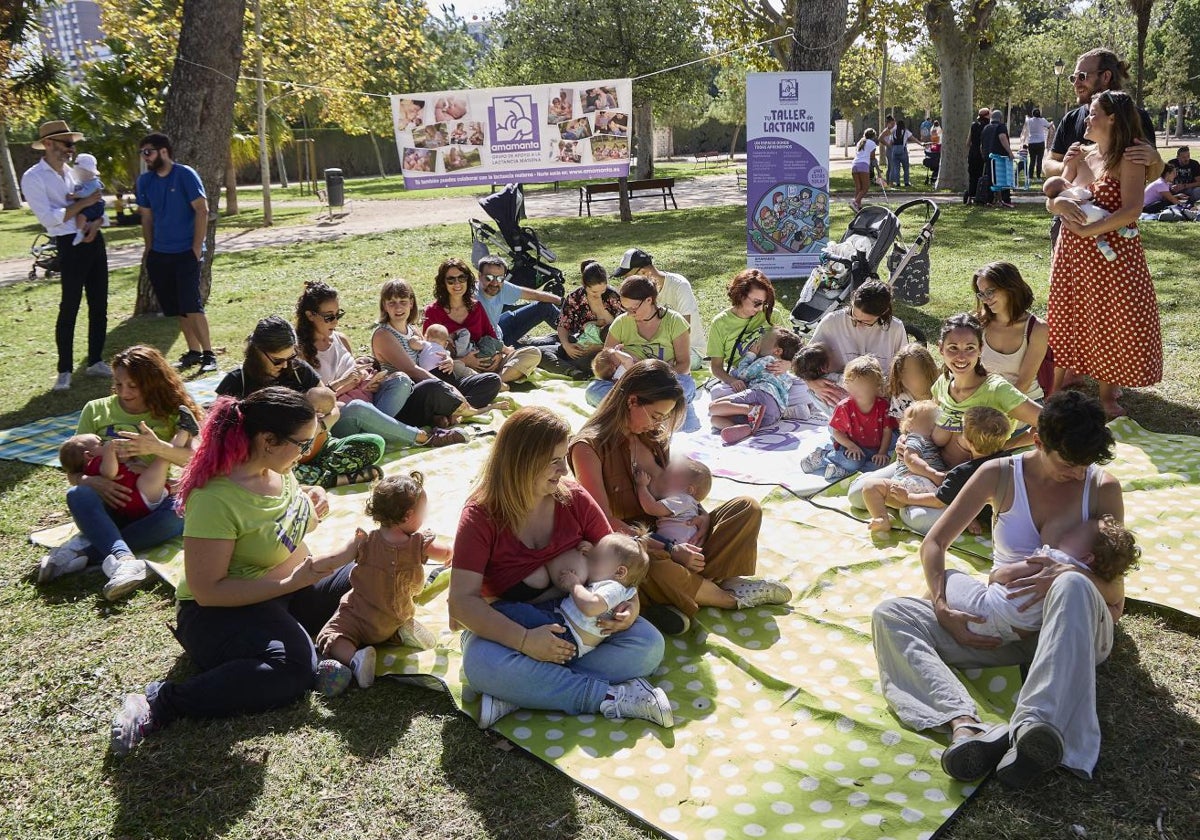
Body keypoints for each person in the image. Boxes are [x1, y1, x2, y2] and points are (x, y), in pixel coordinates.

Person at [872, 391, 1127, 788]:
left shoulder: (1103, 488)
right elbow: (934, 544)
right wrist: (941, 608)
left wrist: (1065, 575)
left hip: (1073, 632)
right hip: (1003, 624)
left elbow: (1114, 590)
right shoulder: (999, 473)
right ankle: (965, 726)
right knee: (891, 615)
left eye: (1086, 465)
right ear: (1039, 442)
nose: (1078, 473)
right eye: (1068, 463)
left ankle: (1036, 730)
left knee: (1073, 583)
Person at [109, 388, 363, 756]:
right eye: (302, 443)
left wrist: (311, 502)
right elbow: (208, 590)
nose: (307, 452)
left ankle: (318, 638)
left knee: (367, 571)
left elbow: (283, 527)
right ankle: (162, 701)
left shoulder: (277, 469)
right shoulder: (215, 497)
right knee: (293, 671)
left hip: (287, 590)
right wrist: (290, 581)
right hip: (219, 612)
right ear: (267, 440)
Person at [448, 405, 671, 730]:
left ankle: (523, 689)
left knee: (649, 646)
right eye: (554, 461)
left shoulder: (574, 498)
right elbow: (462, 601)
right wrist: (525, 641)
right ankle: (609, 698)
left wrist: (631, 607)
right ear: (522, 461)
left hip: (583, 625)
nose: (564, 470)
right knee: (482, 664)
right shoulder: (481, 515)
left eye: (564, 458)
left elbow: (621, 558)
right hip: (513, 628)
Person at [570, 360, 791, 636]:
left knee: (746, 507)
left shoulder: (653, 438)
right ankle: (728, 598)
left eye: (664, 417)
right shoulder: (588, 447)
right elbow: (603, 523)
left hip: (673, 530)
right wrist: (670, 549)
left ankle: (680, 593)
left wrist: (702, 516)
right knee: (648, 565)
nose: (659, 423)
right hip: (634, 545)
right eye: (655, 415)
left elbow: (679, 490)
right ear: (632, 401)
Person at [42, 346, 201, 598]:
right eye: (118, 384)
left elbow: (197, 460)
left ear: (152, 384)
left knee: (184, 511)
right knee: (77, 494)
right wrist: (91, 480)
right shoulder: (95, 409)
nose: (124, 392)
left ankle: (90, 554)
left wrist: (157, 447)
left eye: (133, 385)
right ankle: (122, 558)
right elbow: (73, 471)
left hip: (150, 504)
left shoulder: (172, 413)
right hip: (107, 507)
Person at [1045, 90, 1162, 417]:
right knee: (1068, 314)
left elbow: (1132, 210)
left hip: (1114, 256)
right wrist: (1058, 203)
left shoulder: (1130, 157)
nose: (1087, 117)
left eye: (1093, 112)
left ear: (1112, 118)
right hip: (1072, 253)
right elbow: (1053, 195)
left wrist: (1087, 230)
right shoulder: (1080, 154)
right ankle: (1057, 385)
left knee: (1113, 318)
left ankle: (1108, 395)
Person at [315, 471, 452, 695]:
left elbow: (335, 559)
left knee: (329, 636)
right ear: (408, 515)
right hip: (394, 615)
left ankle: (356, 658)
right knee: (396, 614)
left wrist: (313, 564)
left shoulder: (364, 542)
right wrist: (452, 555)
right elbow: (447, 553)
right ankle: (399, 631)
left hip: (359, 615)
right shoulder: (419, 544)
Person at [293, 280, 464, 449]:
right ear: (310, 315)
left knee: (401, 380)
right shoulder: (301, 353)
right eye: (329, 317)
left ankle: (382, 432)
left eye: (338, 315)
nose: (335, 322)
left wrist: (371, 380)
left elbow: (356, 374)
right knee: (358, 408)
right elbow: (313, 402)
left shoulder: (341, 339)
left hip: (370, 401)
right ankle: (423, 438)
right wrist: (345, 383)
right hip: (341, 414)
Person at [218, 316, 386, 486]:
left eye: (290, 358)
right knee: (263, 471)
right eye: (278, 360)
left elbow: (333, 408)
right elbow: (220, 435)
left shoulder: (299, 370)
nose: (285, 365)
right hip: (272, 457)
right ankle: (332, 478)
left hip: (317, 448)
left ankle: (312, 475)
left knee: (374, 443)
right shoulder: (237, 381)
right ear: (257, 352)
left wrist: (316, 430)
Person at [945, 515, 1139, 643]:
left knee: (948, 576)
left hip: (986, 609)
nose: (1070, 531)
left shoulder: (1054, 560)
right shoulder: (1088, 587)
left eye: (1078, 533)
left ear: (1087, 557)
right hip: (1012, 634)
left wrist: (994, 577)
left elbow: (1005, 574)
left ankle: (931, 612)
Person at [21, 120, 110, 391]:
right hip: (68, 246)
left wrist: (95, 223)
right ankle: (64, 370)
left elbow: (100, 208)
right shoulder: (33, 177)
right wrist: (84, 204)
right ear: (48, 144)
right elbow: (50, 219)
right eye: (66, 144)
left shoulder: (74, 173)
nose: (71, 150)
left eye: (73, 144)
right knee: (69, 306)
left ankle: (95, 360)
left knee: (99, 304)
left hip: (94, 240)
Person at [136, 132, 217, 374]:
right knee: (177, 307)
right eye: (142, 153)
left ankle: (209, 354)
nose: (145, 158)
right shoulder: (145, 182)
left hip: (186, 252)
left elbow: (202, 211)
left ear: (163, 152)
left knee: (192, 304)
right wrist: (149, 249)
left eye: (148, 152)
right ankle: (193, 352)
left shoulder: (185, 175)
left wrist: (195, 248)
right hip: (160, 254)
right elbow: (147, 217)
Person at [372, 278, 501, 426]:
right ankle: (453, 410)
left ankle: (451, 413)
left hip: (432, 381)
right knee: (434, 387)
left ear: (411, 303)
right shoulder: (383, 334)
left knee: (492, 380)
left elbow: (429, 351)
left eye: (403, 302)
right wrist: (449, 389)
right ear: (384, 306)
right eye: (392, 303)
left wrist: (449, 360)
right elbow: (412, 370)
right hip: (409, 395)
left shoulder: (413, 329)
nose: (398, 308)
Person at [58, 407, 197, 535]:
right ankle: (184, 430)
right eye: (100, 443)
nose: (105, 443)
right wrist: (109, 449)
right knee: (162, 461)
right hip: (139, 497)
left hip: (140, 493)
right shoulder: (94, 465)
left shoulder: (99, 462)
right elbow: (109, 473)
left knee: (169, 472)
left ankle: (185, 432)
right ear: (89, 455)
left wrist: (128, 455)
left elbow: (122, 464)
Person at [585, 276, 699, 431]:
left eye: (634, 308)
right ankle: (658, 415)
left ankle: (637, 414)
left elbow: (684, 364)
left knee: (687, 385)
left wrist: (655, 375)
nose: (630, 314)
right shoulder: (621, 323)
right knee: (594, 390)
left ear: (649, 300)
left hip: (664, 383)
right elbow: (606, 358)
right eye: (626, 309)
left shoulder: (674, 321)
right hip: (631, 386)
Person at [928, 313, 1043, 467]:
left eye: (970, 348)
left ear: (980, 349)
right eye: (953, 348)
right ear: (941, 348)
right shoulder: (942, 383)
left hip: (973, 482)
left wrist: (1004, 447)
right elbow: (927, 422)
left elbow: (1050, 424)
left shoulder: (997, 390)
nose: (961, 357)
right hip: (928, 464)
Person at [883, 405, 1011, 535]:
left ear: (968, 442)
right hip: (1009, 520)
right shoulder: (1009, 459)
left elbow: (938, 501)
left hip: (991, 521)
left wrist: (908, 498)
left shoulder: (963, 473)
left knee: (916, 518)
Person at [1044, 48, 1159, 185]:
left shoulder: (1134, 117)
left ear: (1106, 77)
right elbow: (1048, 164)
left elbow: (1153, 174)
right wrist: (1067, 165)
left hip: (1119, 205)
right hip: (1075, 203)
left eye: (1082, 76)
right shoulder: (1070, 119)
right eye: (1073, 78)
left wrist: (1155, 159)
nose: (1076, 83)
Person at [423, 258, 537, 387]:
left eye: (462, 278)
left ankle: (496, 381)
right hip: (458, 367)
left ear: (468, 280)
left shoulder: (476, 306)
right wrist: (465, 361)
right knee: (450, 366)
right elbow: (429, 352)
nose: (457, 283)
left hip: (487, 358)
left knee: (532, 352)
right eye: (451, 279)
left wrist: (498, 355)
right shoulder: (432, 311)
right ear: (443, 282)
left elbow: (491, 335)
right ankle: (491, 382)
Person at [801, 280, 907, 406]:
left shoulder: (895, 328)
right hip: (842, 389)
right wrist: (812, 383)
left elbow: (904, 370)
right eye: (853, 317)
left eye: (866, 322)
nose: (858, 325)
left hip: (879, 392)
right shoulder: (832, 321)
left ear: (882, 313)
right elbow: (805, 361)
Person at [801, 355, 896, 482]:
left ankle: (843, 471)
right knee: (853, 462)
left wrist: (882, 452)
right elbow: (836, 432)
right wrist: (850, 446)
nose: (860, 393)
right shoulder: (844, 406)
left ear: (877, 386)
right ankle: (824, 456)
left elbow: (887, 431)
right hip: (850, 447)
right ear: (848, 386)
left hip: (874, 449)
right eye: (855, 389)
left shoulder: (883, 406)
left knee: (881, 466)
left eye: (865, 389)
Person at [611, 248, 706, 370]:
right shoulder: (635, 300)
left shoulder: (680, 286)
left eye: (629, 277)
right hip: (651, 351)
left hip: (687, 350)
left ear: (643, 272)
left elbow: (685, 329)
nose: (626, 282)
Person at [859, 400, 945, 533]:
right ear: (910, 426)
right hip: (909, 483)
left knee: (871, 487)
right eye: (925, 420)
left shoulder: (933, 441)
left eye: (934, 420)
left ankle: (968, 519)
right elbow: (911, 459)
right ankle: (882, 518)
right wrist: (934, 475)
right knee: (870, 487)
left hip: (918, 486)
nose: (931, 424)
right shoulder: (915, 438)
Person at [708, 326, 802, 444]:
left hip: (760, 395)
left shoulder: (767, 359)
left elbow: (742, 375)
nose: (760, 341)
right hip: (773, 415)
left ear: (777, 351)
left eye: (765, 340)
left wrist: (750, 355)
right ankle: (744, 429)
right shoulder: (786, 375)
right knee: (715, 419)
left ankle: (751, 410)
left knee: (713, 407)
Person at [706, 269, 790, 400]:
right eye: (757, 302)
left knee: (804, 389)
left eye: (764, 303)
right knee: (717, 393)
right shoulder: (720, 323)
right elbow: (716, 367)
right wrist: (732, 381)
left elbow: (792, 349)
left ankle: (758, 406)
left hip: (772, 377)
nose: (761, 309)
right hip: (744, 379)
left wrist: (787, 364)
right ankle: (773, 406)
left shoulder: (773, 316)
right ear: (740, 295)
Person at [973, 262, 1050, 401]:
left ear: (1010, 288)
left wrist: (995, 411)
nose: (986, 299)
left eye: (990, 291)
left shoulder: (1037, 328)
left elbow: (1024, 383)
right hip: (984, 399)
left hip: (1024, 401)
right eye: (982, 294)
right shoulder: (977, 323)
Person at [551, 260, 623, 376]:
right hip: (581, 341)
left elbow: (619, 327)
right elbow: (563, 324)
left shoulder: (613, 296)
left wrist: (600, 308)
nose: (599, 295)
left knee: (587, 362)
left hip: (608, 349)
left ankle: (572, 370)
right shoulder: (575, 297)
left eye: (603, 290)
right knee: (547, 349)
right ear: (584, 286)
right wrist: (566, 345)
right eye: (594, 292)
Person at [475, 255, 562, 346]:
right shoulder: (470, 298)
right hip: (488, 343)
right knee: (540, 352)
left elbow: (534, 294)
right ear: (479, 276)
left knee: (545, 307)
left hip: (499, 328)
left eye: (500, 278)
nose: (495, 283)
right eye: (489, 277)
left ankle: (574, 333)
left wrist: (562, 301)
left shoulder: (502, 285)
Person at [634, 457, 712, 546]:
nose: (668, 480)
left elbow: (652, 508)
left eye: (675, 479)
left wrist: (642, 486)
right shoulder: (692, 505)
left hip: (672, 543)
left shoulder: (682, 499)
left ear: (689, 490)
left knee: (643, 539)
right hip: (683, 544)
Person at [68, 153, 106, 245]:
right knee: (81, 217)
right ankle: (82, 229)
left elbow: (86, 193)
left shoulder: (93, 182)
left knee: (81, 217)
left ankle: (79, 232)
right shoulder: (82, 181)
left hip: (94, 206)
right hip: (88, 208)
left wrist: (75, 195)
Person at [981, 110, 1015, 208]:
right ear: (1000, 118)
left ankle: (989, 200)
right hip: (1000, 157)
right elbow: (1002, 137)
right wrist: (1009, 152)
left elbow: (982, 144)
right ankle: (1005, 200)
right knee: (1003, 178)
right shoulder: (1001, 127)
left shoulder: (986, 128)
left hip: (988, 157)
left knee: (991, 179)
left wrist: (983, 154)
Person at [964, 108, 991, 205]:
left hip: (972, 154)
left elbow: (968, 142)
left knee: (972, 177)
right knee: (981, 175)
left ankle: (970, 197)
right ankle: (980, 196)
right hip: (981, 154)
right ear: (987, 116)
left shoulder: (973, 125)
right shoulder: (988, 126)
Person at [1020, 109, 1053, 180]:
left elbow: (1027, 123)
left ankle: (1030, 176)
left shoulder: (1029, 121)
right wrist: (1052, 122)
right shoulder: (1042, 120)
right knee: (1039, 160)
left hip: (1031, 142)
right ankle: (1038, 176)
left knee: (1032, 160)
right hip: (1040, 142)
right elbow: (1049, 125)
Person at [851, 128, 877, 211]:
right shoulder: (872, 143)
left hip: (854, 165)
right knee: (865, 187)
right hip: (863, 165)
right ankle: (855, 202)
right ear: (873, 136)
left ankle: (857, 205)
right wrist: (877, 168)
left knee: (858, 187)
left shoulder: (860, 142)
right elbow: (872, 157)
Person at [890, 119, 914, 188]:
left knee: (896, 168)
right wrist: (920, 144)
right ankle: (906, 183)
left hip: (895, 152)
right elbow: (913, 138)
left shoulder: (893, 132)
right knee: (906, 168)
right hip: (903, 151)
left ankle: (897, 183)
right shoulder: (906, 131)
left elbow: (891, 142)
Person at [881, 116, 897, 186]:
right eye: (892, 124)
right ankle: (890, 182)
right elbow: (880, 138)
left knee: (891, 166)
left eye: (894, 123)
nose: (894, 125)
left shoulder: (893, 130)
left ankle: (890, 181)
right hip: (889, 150)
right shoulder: (886, 130)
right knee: (891, 166)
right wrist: (888, 145)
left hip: (893, 149)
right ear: (888, 123)